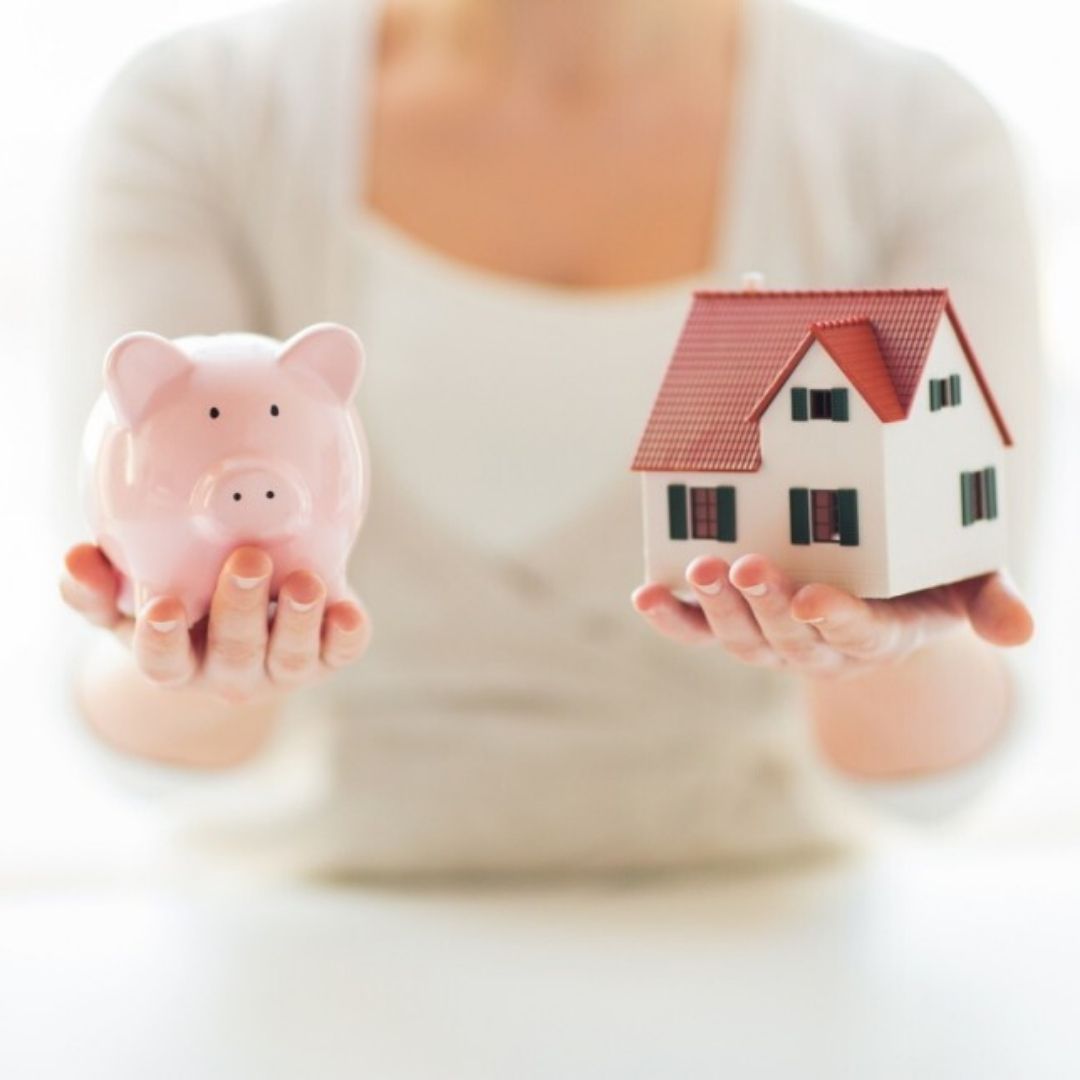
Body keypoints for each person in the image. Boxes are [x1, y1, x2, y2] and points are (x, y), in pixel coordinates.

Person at [57, 0, 1040, 874]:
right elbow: (140, 739)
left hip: (759, 933)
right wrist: (191, 658)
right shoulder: (197, 114)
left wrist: (891, 646)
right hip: (307, 934)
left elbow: (943, 769)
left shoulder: (918, 136)